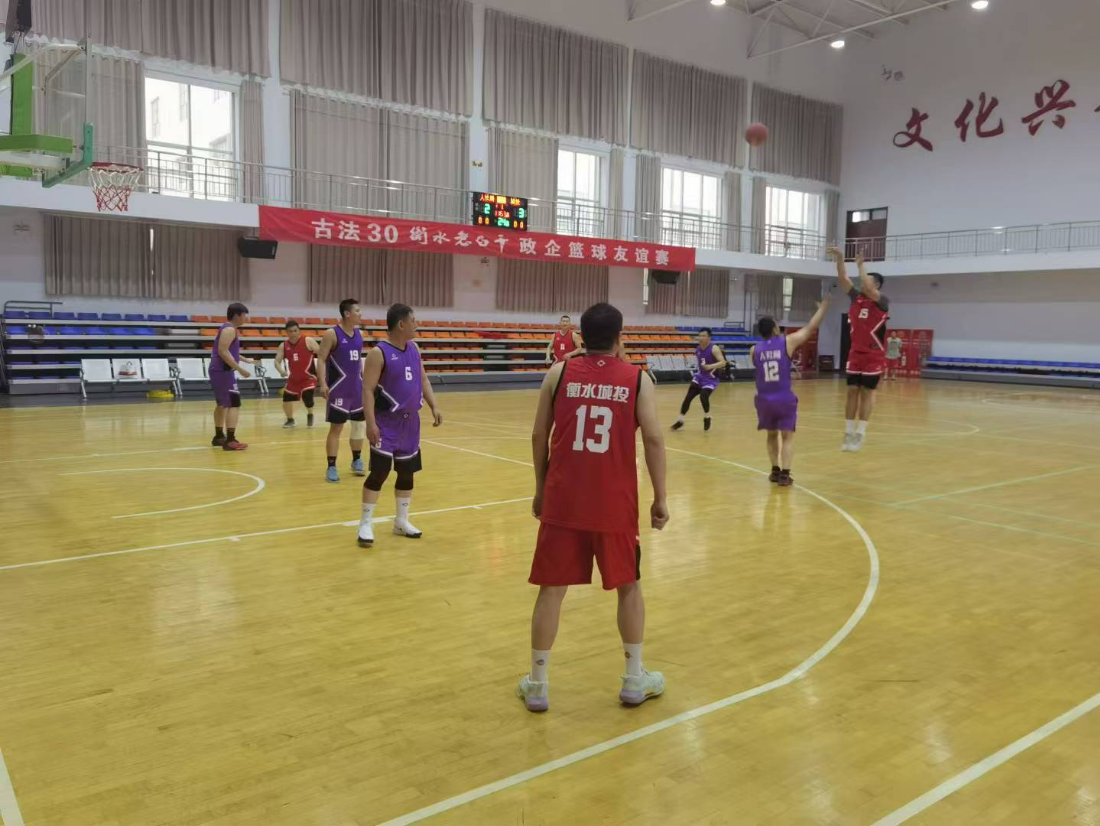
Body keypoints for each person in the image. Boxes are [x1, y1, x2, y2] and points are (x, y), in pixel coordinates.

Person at [517, 302, 670, 713]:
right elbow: (654, 440)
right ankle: (634, 680)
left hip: (564, 499)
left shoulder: (559, 372)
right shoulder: (638, 379)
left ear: (580, 337)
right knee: (629, 586)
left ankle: (537, 685)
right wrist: (660, 497)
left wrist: (540, 489)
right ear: (621, 338)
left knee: (551, 590)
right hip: (614, 504)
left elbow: (538, 435)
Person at [356, 303, 444, 547]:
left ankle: (401, 521)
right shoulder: (379, 353)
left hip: (410, 423)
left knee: (407, 473)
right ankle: (365, 523)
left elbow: (423, 379)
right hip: (386, 422)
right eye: (414, 320)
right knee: (379, 472)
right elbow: (367, 389)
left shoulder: (414, 348)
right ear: (402, 324)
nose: (417, 324)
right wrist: (370, 423)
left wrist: (434, 405)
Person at [751, 298, 831, 487]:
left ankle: (774, 470)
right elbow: (810, 328)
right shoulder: (787, 342)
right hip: (783, 398)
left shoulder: (754, 349)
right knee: (787, 437)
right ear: (775, 329)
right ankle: (785, 475)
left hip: (764, 399)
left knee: (771, 435)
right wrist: (823, 309)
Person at [828, 248, 890, 452]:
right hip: (855, 352)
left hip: (873, 354)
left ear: (876, 285)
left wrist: (861, 265)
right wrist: (840, 259)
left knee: (866, 392)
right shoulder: (856, 298)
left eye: (867, 280)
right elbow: (843, 278)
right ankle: (848, 431)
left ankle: (861, 432)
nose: (862, 282)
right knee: (851, 391)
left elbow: (868, 287)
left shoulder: (882, 301)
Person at [316, 299, 367, 482]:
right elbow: (321, 359)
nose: (360, 313)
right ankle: (331, 466)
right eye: (357, 310)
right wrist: (322, 383)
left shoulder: (360, 334)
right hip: (339, 389)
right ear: (347, 313)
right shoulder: (332, 333)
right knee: (336, 427)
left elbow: (358, 362)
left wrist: (366, 384)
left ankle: (357, 460)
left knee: (359, 425)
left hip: (357, 388)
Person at [209, 302, 252, 451]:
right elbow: (223, 352)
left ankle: (218, 436)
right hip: (223, 371)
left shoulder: (226, 328)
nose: (245, 318)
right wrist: (240, 369)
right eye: (244, 315)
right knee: (234, 403)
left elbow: (226, 350)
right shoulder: (229, 330)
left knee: (221, 404)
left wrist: (244, 359)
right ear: (236, 315)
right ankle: (231, 440)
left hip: (218, 370)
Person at [670, 328, 726, 432]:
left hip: (711, 378)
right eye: (700, 336)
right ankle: (680, 420)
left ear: (709, 338)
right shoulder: (698, 348)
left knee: (703, 396)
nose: (701, 338)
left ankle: (707, 417)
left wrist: (710, 366)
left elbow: (723, 362)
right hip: (700, 377)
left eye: (703, 336)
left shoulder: (714, 348)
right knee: (688, 397)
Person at [274, 320, 320, 428]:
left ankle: (310, 414)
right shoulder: (284, 345)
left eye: (295, 330)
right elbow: (276, 361)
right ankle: (290, 420)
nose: (293, 333)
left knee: (307, 396)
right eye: (291, 331)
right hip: (294, 379)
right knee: (286, 401)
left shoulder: (308, 341)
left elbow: (322, 354)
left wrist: (322, 370)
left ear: (299, 330)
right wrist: (281, 371)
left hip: (309, 377)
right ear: (287, 332)